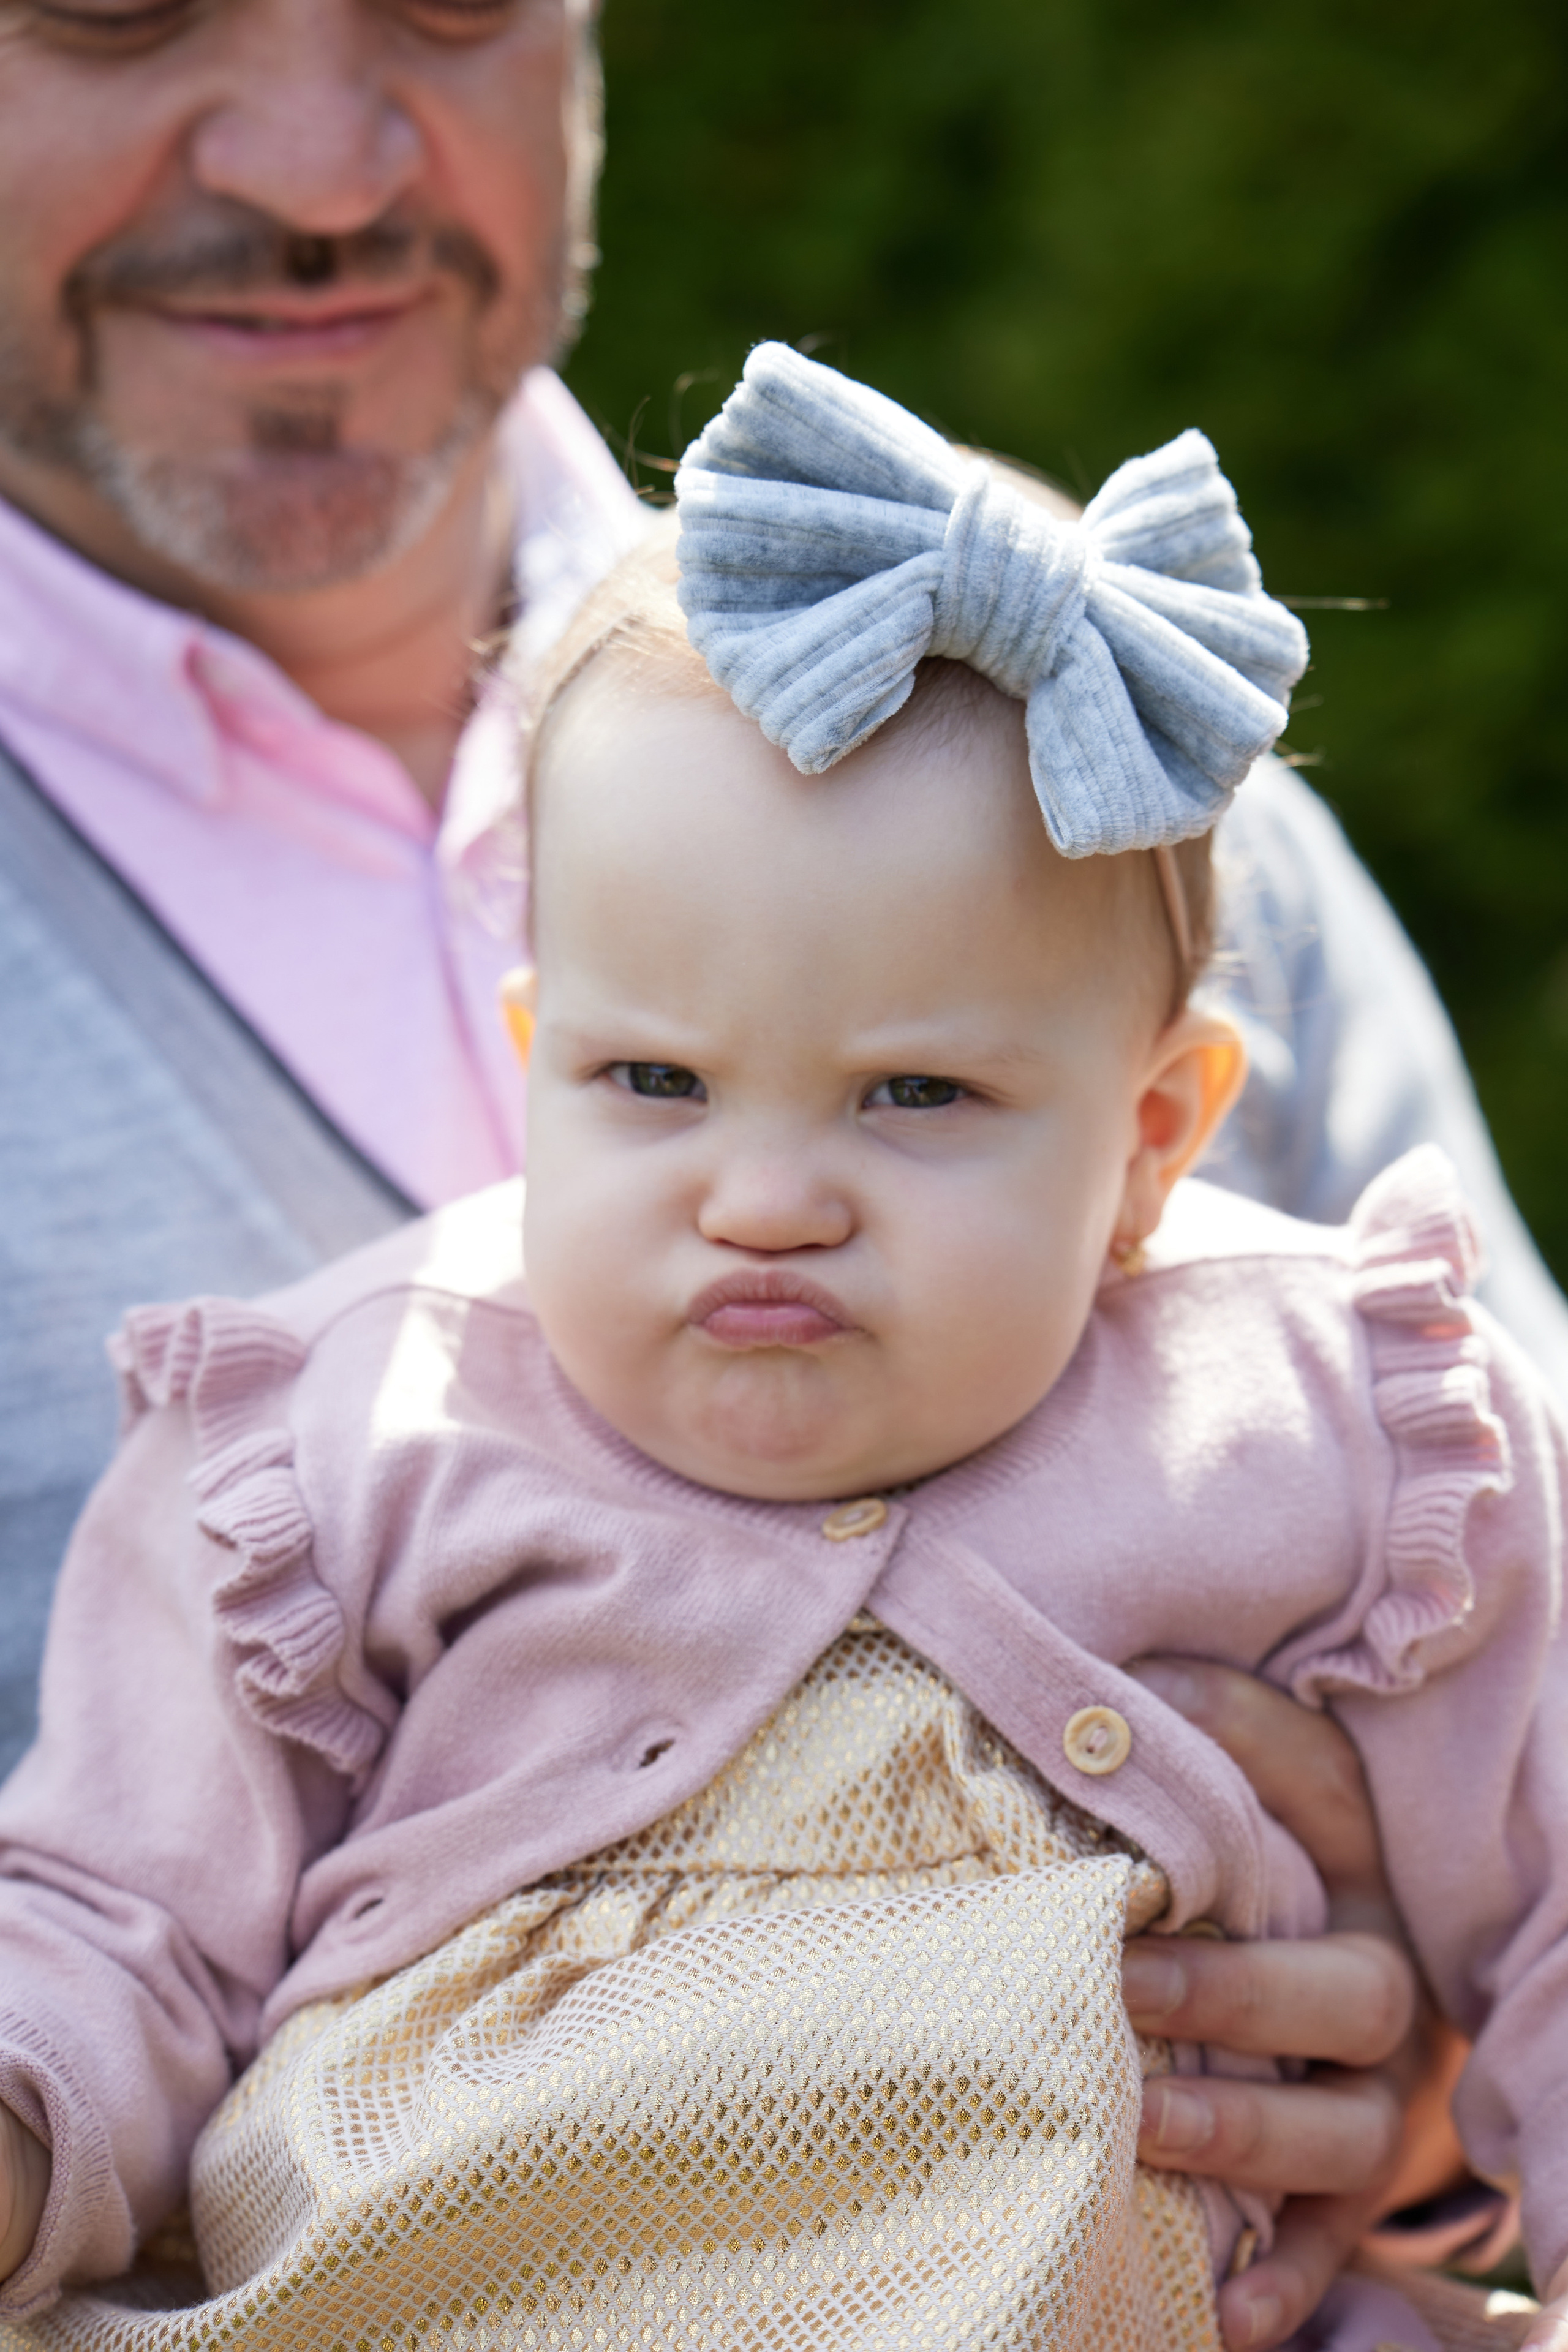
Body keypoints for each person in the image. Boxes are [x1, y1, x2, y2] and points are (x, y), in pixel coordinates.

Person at [0, 4, 1537, 2339]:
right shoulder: (321, 1437)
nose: (767, 1199)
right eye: (116, 3)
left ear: (1156, 1140)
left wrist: (1435, 2115)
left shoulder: (1124, 813)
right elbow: (105, 1921)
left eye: (921, 1100)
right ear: (540, 1067)